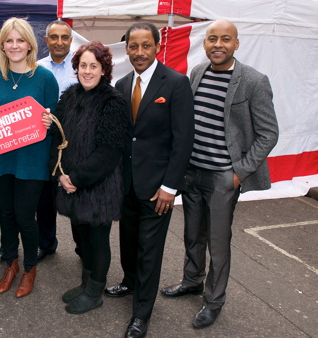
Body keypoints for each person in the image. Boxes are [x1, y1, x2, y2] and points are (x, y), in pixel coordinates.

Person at [159, 19, 279, 329]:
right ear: (205, 43)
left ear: (236, 44)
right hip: (192, 172)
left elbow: (269, 133)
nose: (218, 44)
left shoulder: (253, 81)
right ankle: (192, 281)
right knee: (192, 234)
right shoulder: (198, 72)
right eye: (212, 38)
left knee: (218, 241)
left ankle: (214, 301)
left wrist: (238, 172)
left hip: (223, 178)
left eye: (226, 39)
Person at [105, 22, 195, 338]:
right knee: (128, 242)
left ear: (157, 47)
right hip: (127, 184)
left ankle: (141, 315)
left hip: (159, 189)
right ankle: (130, 281)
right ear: (126, 48)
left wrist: (170, 186)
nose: (139, 52)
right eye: (133, 46)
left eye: (146, 45)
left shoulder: (176, 83)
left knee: (149, 251)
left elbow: (183, 140)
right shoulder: (123, 83)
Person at [0, 17, 58, 298]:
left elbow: (55, 119)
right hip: (0, 160)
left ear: (29, 44)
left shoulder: (45, 77)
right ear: (2, 45)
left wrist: (50, 122)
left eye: (20, 40)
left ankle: (29, 268)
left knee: (26, 216)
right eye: (9, 40)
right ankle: (11, 263)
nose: (14, 46)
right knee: (8, 215)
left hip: (31, 161)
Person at [50, 41, 129, 314]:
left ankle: (95, 292)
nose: (87, 71)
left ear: (103, 69)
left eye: (93, 66)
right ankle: (85, 283)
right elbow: (56, 137)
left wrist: (77, 177)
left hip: (99, 186)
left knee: (97, 241)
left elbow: (109, 151)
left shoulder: (113, 101)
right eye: (83, 65)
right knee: (80, 237)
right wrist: (60, 174)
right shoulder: (70, 96)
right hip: (71, 184)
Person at [36, 20, 81, 263]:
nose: (60, 42)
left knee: (76, 195)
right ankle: (47, 243)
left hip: (74, 142)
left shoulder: (80, 67)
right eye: (54, 37)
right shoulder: (37, 68)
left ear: (71, 40)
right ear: (46, 41)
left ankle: (82, 246)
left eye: (65, 37)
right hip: (44, 141)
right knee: (45, 198)